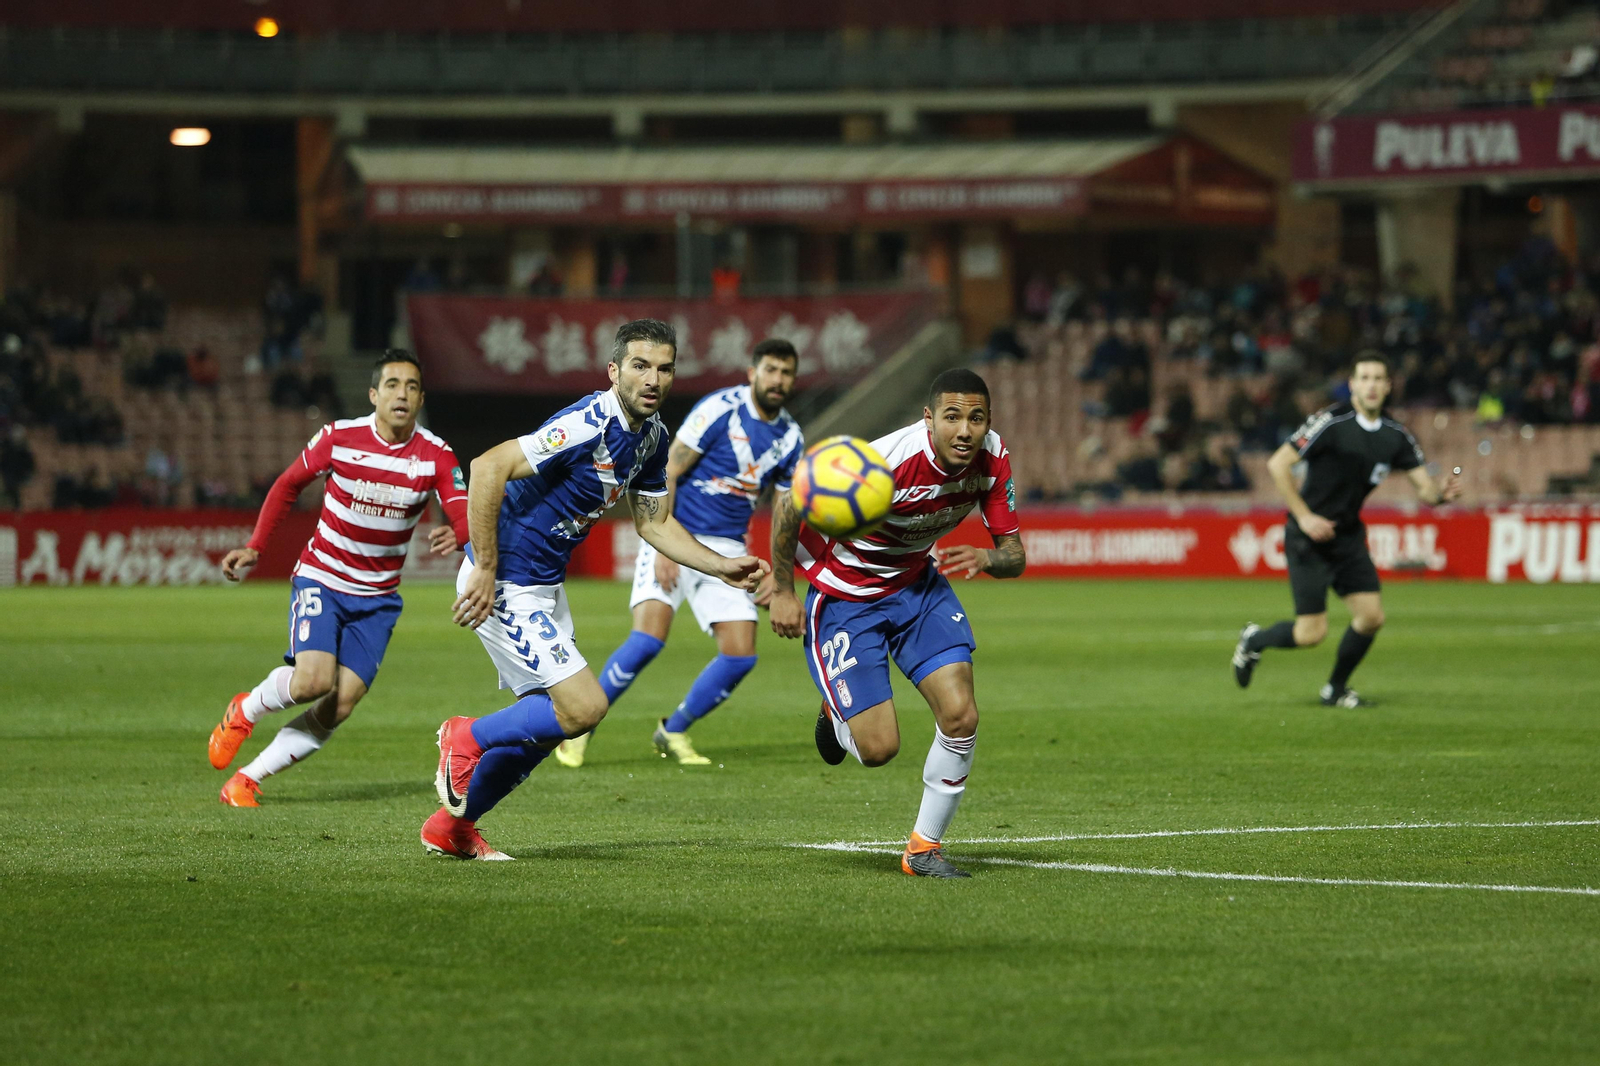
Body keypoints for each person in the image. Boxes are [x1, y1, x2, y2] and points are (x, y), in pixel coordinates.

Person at [424, 319, 768, 861]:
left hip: (542, 587)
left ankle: (453, 828)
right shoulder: (587, 422)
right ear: (613, 371)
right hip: (507, 582)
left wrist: (720, 565)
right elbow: (487, 467)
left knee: (547, 728)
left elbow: (654, 524)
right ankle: (464, 737)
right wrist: (487, 566)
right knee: (584, 708)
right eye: (639, 365)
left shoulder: (653, 439)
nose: (652, 379)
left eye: (664, 368)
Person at [767, 368, 1026, 878]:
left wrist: (987, 558)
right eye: (952, 417)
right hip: (846, 597)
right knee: (879, 750)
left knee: (962, 716)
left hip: (917, 587)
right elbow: (790, 500)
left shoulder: (994, 459)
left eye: (976, 418)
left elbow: (1014, 556)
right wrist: (781, 590)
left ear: (989, 420)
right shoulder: (885, 462)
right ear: (928, 419)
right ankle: (837, 710)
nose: (965, 431)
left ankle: (923, 850)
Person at [207, 350, 469, 806]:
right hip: (323, 578)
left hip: (379, 598)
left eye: (411, 387)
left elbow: (463, 513)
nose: (401, 394)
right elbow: (288, 484)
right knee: (311, 681)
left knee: (340, 704)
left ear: (421, 398)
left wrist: (460, 532)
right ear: (373, 394)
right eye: (392, 385)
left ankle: (246, 780)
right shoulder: (339, 438)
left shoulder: (435, 455)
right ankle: (245, 710)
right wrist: (255, 546)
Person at [556, 338, 804, 768]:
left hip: (726, 548)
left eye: (786, 373)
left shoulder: (791, 438)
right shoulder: (720, 408)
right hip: (676, 530)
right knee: (647, 640)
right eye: (771, 370)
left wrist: (784, 583)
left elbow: (785, 513)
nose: (778, 380)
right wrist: (663, 545)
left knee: (741, 654)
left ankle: (673, 729)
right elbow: (670, 465)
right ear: (752, 373)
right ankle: (579, 729)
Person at [1232, 353, 1461, 707]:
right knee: (1311, 634)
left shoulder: (1396, 436)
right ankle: (1253, 641)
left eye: (1377, 379)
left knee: (1371, 618)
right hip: (1308, 536)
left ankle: (1335, 690)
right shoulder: (1329, 421)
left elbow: (1425, 490)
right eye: (1364, 378)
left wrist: (1440, 495)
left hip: (1348, 536)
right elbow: (1278, 464)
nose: (1370, 385)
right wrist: (1305, 517)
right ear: (1352, 385)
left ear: (1387, 387)